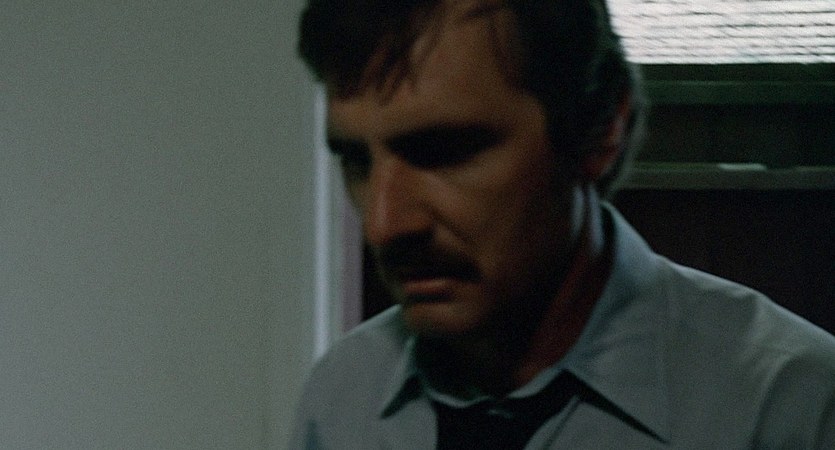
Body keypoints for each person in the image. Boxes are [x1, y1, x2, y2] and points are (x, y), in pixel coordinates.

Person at [289, 0, 835, 448]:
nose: (384, 225)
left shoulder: (787, 406)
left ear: (598, 129)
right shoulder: (343, 399)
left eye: (445, 152)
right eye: (357, 162)